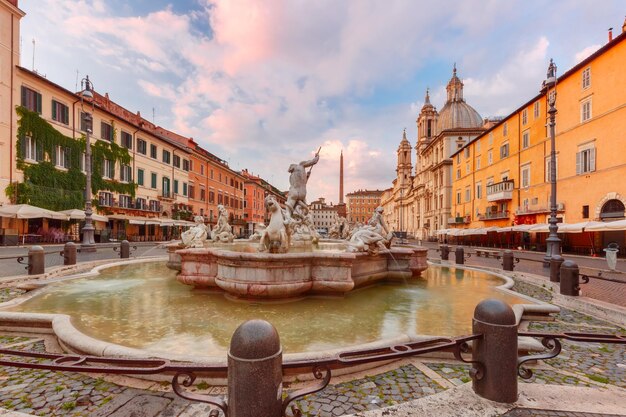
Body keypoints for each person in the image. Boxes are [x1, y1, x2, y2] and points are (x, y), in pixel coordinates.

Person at [284, 148, 320, 222]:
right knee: (304, 208)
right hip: (302, 193)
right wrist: (317, 156)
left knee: (288, 206)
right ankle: (303, 217)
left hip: (294, 191)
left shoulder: (291, 177)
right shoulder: (301, 165)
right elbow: (313, 161)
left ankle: (288, 218)